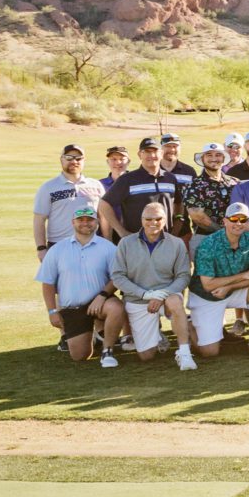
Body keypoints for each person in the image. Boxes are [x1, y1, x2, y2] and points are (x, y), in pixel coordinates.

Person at [37, 204, 126, 364]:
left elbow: (117, 277)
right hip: (73, 307)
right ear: (73, 222)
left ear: (97, 222)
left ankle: (108, 351)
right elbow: (48, 283)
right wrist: (52, 311)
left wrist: (102, 295)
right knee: (80, 356)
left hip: (100, 302)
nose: (85, 223)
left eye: (90, 220)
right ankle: (91, 335)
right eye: (80, 219)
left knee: (116, 308)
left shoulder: (108, 248)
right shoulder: (57, 249)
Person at [187, 201, 249, 360]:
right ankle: (190, 327)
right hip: (207, 296)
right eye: (233, 219)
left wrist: (229, 287)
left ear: (248, 223)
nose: (238, 223)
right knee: (209, 352)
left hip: (229, 290)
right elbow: (208, 285)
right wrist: (242, 276)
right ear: (224, 221)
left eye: (243, 220)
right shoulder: (208, 243)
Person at [109, 201, 191, 367]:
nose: (153, 223)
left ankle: (185, 353)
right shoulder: (126, 243)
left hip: (166, 297)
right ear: (141, 220)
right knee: (146, 356)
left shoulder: (176, 243)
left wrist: (162, 295)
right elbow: (118, 276)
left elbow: (183, 276)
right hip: (138, 300)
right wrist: (145, 294)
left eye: (158, 219)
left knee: (175, 301)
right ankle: (158, 336)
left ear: (165, 220)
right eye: (148, 219)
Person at [99, 137, 181, 241]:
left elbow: (178, 202)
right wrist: (121, 231)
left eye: (155, 151)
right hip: (137, 242)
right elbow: (104, 204)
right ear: (139, 155)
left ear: (161, 154)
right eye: (147, 151)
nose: (151, 155)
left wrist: (179, 220)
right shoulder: (127, 179)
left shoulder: (170, 178)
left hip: (165, 241)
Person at [34, 144, 106, 257]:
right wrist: (41, 248)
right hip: (59, 245)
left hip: (92, 244)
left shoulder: (96, 185)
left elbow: (104, 217)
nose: (74, 161)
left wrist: (107, 242)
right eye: (69, 157)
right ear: (61, 159)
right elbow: (39, 219)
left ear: (84, 161)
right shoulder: (48, 187)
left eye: (78, 158)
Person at [182, 143, 235, 238]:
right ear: (202, 159)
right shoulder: (193, 186)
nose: (214, 159)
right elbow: (198, 217)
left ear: (223, 158)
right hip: (205, 239)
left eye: (218, 155)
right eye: (209, 155)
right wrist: (224, 233)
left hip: (235, 238)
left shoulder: (235, 183)